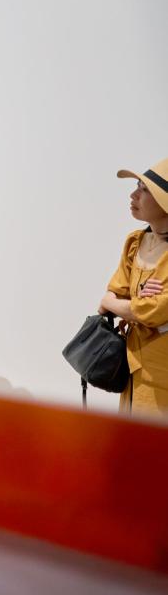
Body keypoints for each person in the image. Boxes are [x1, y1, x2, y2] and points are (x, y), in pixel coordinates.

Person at [100, 157, 168, 417]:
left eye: (144, 189)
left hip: (162, 378)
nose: (133, 194)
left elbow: (153, 312)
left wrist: (120, 303)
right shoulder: (135, 242)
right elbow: (112, 294)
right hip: (131, 370)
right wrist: (124, 302)